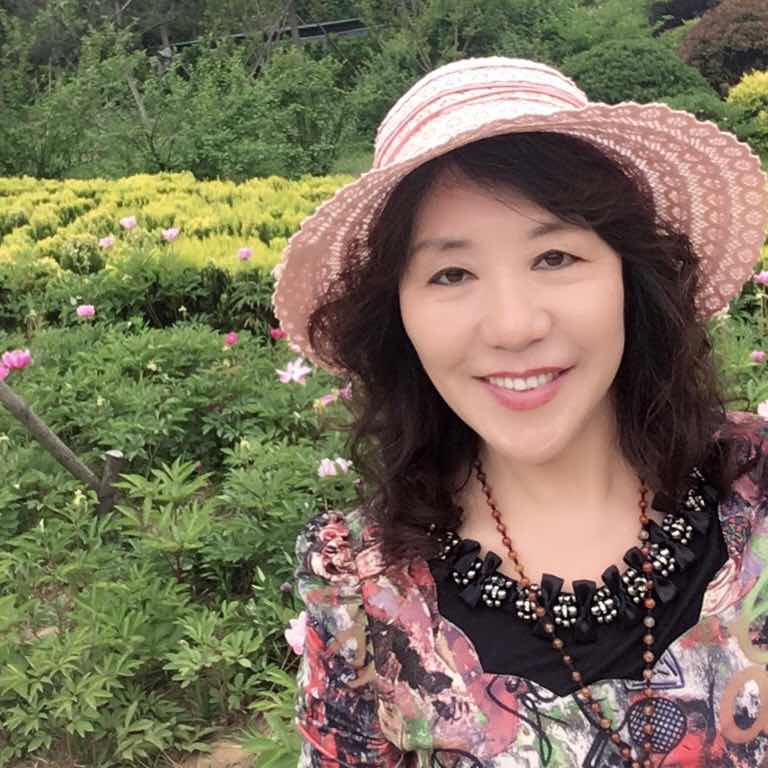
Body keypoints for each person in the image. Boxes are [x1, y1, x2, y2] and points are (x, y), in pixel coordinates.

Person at [271, 57, 768, 768]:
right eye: (451, 273)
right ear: (397, 317)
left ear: (631, 276)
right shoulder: (360, 594)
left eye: (555, 257)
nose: (512, 326)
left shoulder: (757, 492)